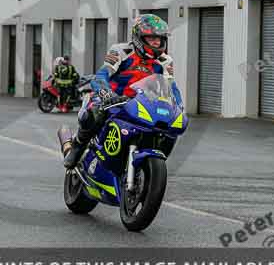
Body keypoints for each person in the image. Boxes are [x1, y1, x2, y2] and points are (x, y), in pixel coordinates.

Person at [64, 14, 185, 168]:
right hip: (113, 98)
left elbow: (171, 86)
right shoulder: (121, 51)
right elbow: (102, 74)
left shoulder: (164, 61)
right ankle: (77, 147)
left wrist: (179, 106)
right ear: (139, 38)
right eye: (151, 38)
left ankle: (150, 160)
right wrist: (106, 94)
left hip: (143, 104)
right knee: (95, 112)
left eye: (160, 39)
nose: (157, 42)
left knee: (169, 128)